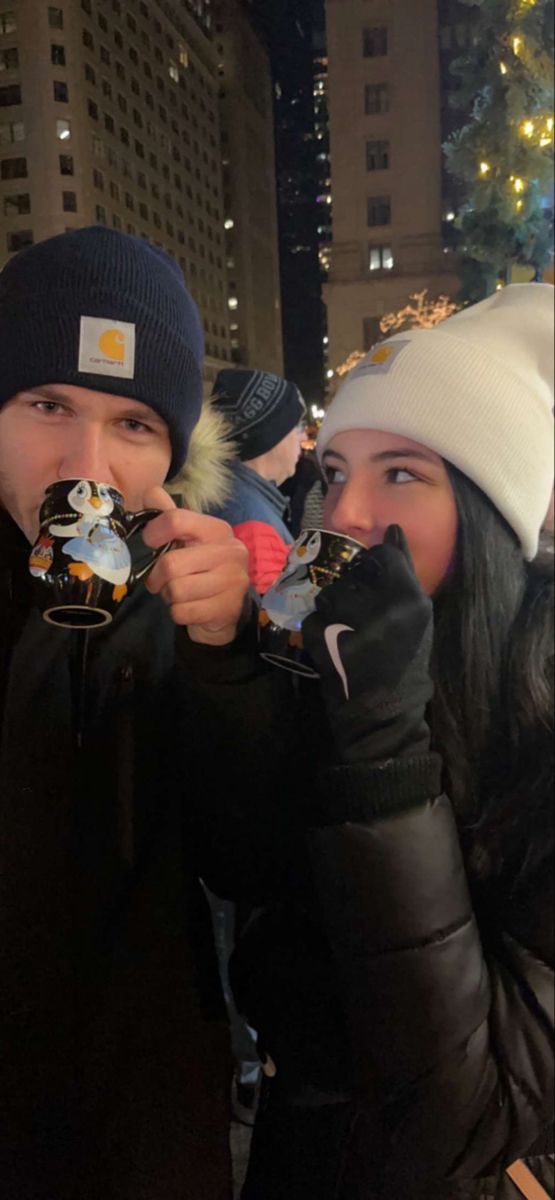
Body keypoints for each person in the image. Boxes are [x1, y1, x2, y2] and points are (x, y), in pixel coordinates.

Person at [231, 283, 555, 1199]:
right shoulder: (344, 654)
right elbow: (252, 879)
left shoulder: (538, 708)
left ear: (492, 509)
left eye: (402, 473)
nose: (346, 517)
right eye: (332, 473)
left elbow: (463, 1119)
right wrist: (230, 673)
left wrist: (379, 746)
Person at [0, 226, 297, 1200]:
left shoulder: (187, 597)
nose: (85, 458)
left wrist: (230, 658)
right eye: (49, 404)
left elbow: (251, 858)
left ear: (171, 447)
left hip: (145, 1119)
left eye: (132, 424)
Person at [210, 368, 306, 593]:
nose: (302, 437)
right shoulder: (252, 525)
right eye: (297, 427)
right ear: (272, 436)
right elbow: (276, 619)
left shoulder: (239, 500)